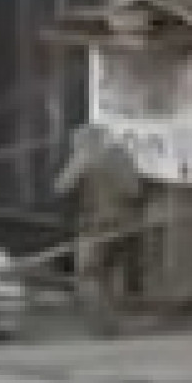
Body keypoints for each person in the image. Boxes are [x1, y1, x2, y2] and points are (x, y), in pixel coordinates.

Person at [53, 123, 146, 321]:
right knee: (113, 271)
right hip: (124, 222)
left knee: (88, 271)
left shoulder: (86, 157)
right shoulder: (121, 157)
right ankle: (115, 318)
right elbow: (135, 190)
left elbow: (61, 186)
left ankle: (104, 321)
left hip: (96, 224)